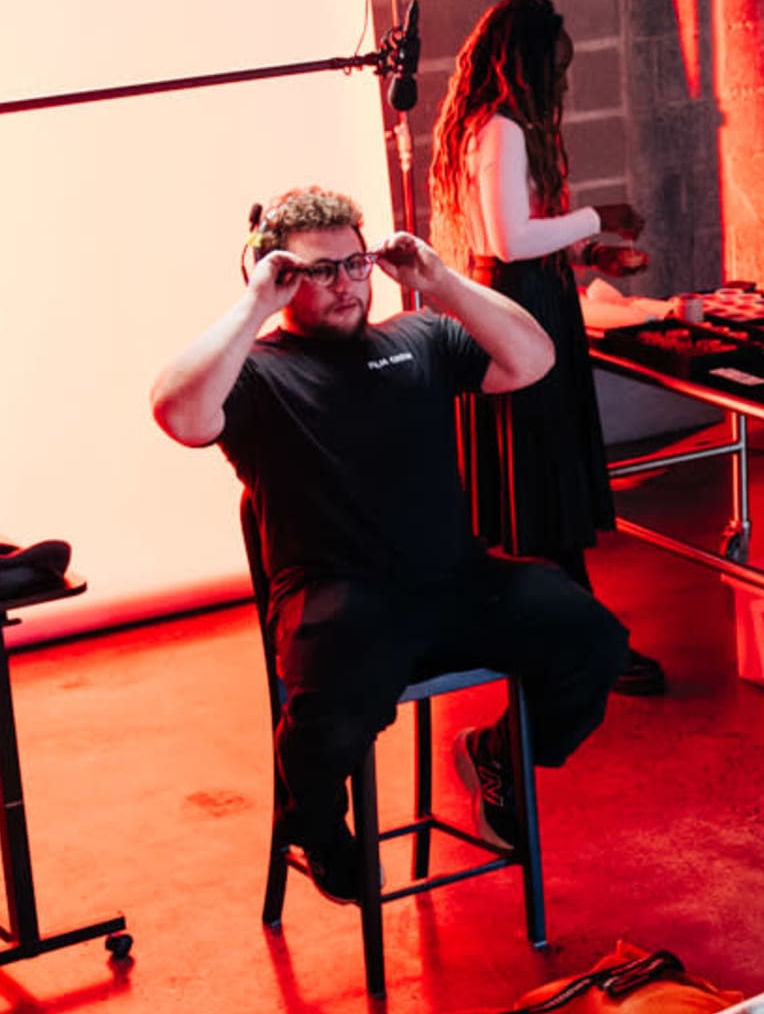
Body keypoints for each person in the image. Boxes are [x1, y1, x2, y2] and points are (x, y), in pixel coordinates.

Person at [150, 184, 629, 905]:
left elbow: (533, 358)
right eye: (319, 271)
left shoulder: (418, 339)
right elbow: (177, 412)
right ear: (278, 276)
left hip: (453, 583)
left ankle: (497, 759)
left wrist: (439, 281)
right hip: (339, 601)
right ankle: (314, 820)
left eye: (355, 264)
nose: (345, 284)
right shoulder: (259, 374)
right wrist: (253, 306)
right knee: (336, 684)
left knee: (590, 635)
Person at [427, 0, 666, 695]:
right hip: (518, 310)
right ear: (524, 63)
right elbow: (510, 241)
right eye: (555, 69)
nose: (561, 83)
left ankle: (569, 629)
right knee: (542, 479)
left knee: (532, 485)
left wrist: (589, 253)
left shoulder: (490, 128)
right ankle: (589, 638)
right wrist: (602, 213)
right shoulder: (500, 130)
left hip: (521, 299)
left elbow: (519, 234)